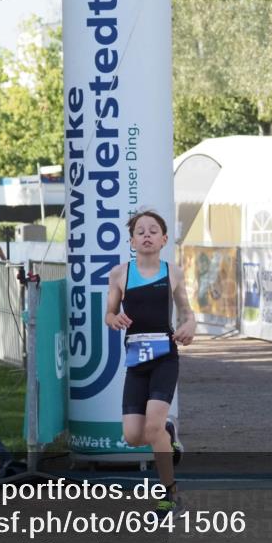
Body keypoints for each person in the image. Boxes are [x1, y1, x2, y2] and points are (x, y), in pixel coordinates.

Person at [105, 210, 196, 519]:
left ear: (164, 239)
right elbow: (109, 313)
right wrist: (113, 318)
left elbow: (187, 312)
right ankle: (167, 433)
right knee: (133, 436)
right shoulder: (119, 274)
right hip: (136, 359)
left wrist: (190, 326)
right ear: (132, 241)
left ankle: (171, 495)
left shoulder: (173, 272)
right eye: (140, 231)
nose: (146, 235)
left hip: (164, 357)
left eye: (153, 230)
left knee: (152, 426)